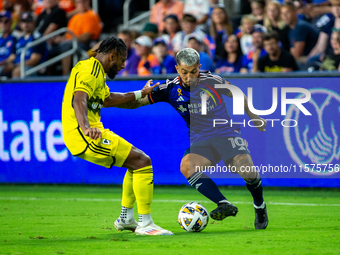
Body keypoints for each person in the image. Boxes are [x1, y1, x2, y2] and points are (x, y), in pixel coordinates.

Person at [116, 48, 269, 230]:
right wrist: (140, 93)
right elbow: (135, 104)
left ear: (199, 67)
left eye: (193, 72)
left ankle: (259, 206)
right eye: (184, 72)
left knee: (248, 171)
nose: (189, 77)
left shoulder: (212, 80)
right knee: (186, 166)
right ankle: (223, 204)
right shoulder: (169, 89)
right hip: (201, 141)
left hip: (226, 134)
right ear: (177, 68)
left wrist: (254, 117)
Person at [61, 36, 173, 236]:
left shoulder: (96, 72)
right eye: (122, 60)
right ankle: (145, 224)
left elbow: (109, 99)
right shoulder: (89, 70)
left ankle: (126, 218)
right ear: (112, 56)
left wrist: (143, 94)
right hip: (84, 134)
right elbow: (79, 99)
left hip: (90, 132)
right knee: (142, 161)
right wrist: (86, 127)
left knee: (135, 162)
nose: (123, 65)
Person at [6, 12, 48, 77]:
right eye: (23, 22)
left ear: (33, 22)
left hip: (32, 68)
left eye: (28, 22)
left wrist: (16, 65)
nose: (25, 24)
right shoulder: (18, 38)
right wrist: (7, 64)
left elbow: (34, 60)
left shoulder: (37, 37)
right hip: (17, 65)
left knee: (17, 71)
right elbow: (12, 56)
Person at [0, 10, 16, 77]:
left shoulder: (16, 36)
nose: (3, 24)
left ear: (11, 22)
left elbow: (14, 55)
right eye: (1, 21)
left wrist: (3, 62)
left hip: (7, 65)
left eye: (6, 21)